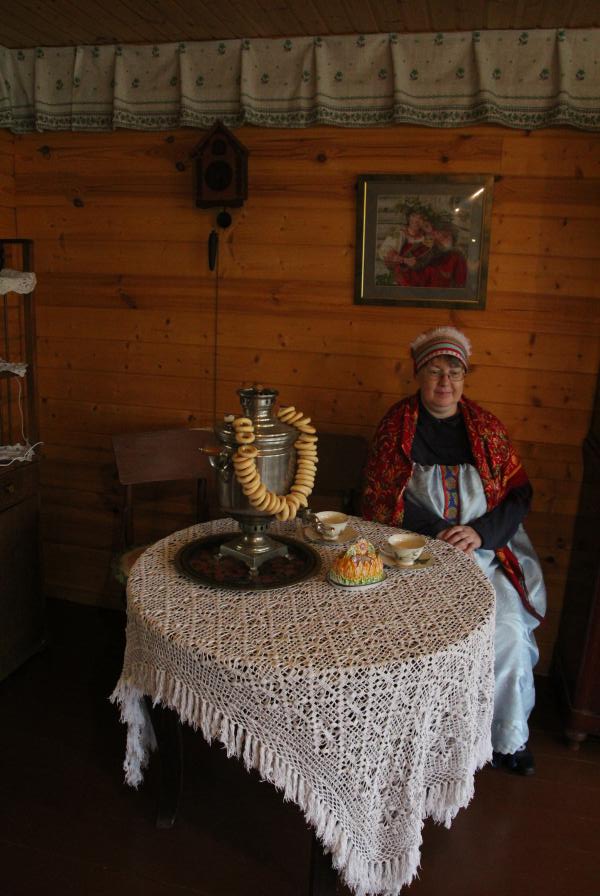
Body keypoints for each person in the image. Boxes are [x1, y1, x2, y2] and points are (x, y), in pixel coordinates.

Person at [362, 326, 546, 775]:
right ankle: (419, 740)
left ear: (464, 377)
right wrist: (440, 533)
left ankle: (506, 739)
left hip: (486, 554)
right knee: (410, 634)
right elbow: (380, 497)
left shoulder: (487, 429)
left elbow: (519, 494)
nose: (445, 382)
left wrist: (480, 533)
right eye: (434, 371)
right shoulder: (396, 427)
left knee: (506, 630)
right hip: (414, 554)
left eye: (454, 372)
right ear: (418, 374)